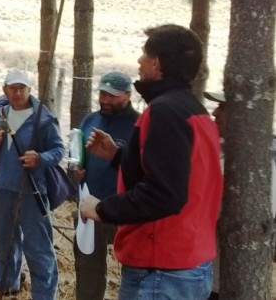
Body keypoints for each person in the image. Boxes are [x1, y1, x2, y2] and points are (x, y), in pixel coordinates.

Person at [80, 24, 223, 300]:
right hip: (186, 263)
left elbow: (164, 194)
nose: (139, 61)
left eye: (144, 54)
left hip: (161, 270)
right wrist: (118, 157)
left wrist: (102, 208)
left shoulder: (165, 112)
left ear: (156, 63)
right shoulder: (194, 111)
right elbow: (179, 175)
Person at [0, 70, 64, 299]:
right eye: (12, 88)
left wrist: (40, 158)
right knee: (5, 242)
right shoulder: (1, 112)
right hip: (4, 186)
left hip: (32, 190)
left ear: (29, 90)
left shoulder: (43, 118)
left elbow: (58, 150)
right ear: (4, 89)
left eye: (22, 88)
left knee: (38, 248)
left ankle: (45, 294)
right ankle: (6, 284)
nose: (17, 93)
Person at [72, 71, 140, 300]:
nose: (105, 100)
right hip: (90, 207)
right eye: (102, 93)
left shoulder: (139, 126)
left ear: (128, 96)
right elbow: (79, 158)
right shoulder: (90, 120)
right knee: (88, 267)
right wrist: (76, 172)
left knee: (133, 270)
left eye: (112, 96)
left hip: (126, 210)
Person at [204, 90, 276, 300]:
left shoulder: (259, 165)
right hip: (211, 275)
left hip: (227, 281)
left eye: (223, 107)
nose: (215, 113)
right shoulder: (224, 157)